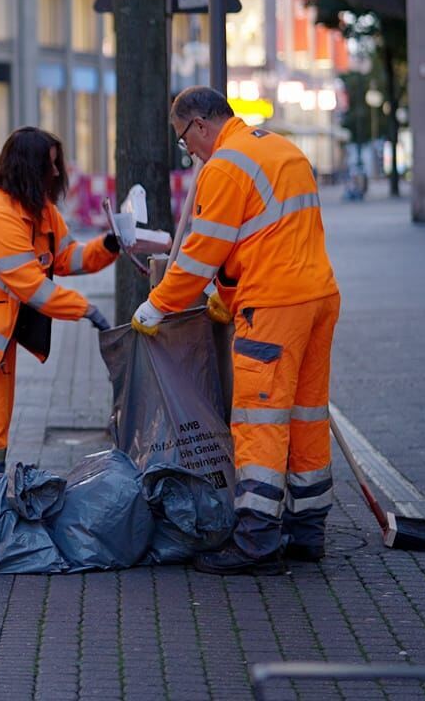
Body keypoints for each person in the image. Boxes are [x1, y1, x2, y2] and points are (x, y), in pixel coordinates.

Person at [134, 86, 339, 575]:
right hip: (318, 298)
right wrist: (226, 298)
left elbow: (203, 253)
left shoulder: (226, 166)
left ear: (201, 125)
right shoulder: (282, 149)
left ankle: (256, 541)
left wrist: (158, 304)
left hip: (272, 308)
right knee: (307, 415)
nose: (190, 150)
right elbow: (265, 238)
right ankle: (307, 530)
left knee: (260, 422)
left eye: (185, 140)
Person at [0, 127, 119, 484]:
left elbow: (66, 257)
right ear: (29, 169)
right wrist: (87, 310)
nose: (57, 173)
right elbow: (32, 287)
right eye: (50, 166)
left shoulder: (40, 210)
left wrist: (109, 244)